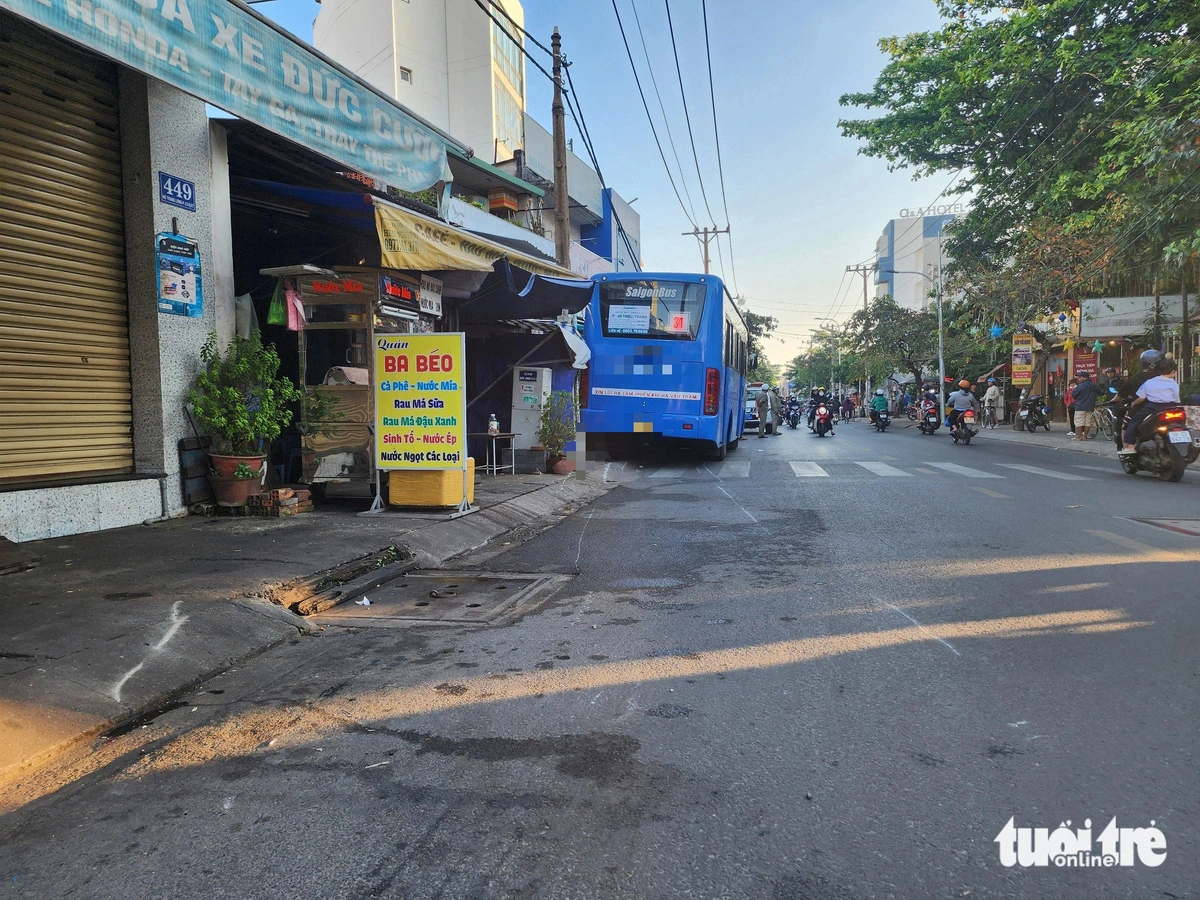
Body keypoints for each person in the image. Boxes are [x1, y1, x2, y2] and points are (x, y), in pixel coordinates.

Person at [1120, 358, 1180, 454]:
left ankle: (1130, 446)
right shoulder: (1174, 384)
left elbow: (1141, 398)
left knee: (1134, 421)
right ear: (1173, 372)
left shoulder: (1149, 382)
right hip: (1170, 407)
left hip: (1153, 407)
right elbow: (1176, 398)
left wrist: (1133, 404)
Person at [1114, 349, 1165, 447]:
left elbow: (1140, 398)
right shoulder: (1165, 378)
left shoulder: (1137, 379)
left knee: (1127, 425)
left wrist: (1133, 403)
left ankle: (1128, 447)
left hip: (1144, 408)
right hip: (1166, 407)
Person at [1069, 373, 1101, 440]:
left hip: (1080, 406)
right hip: (1090, 406)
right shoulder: (1093, 385)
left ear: (1084, 377)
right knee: (1087, 422)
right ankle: (1085, 436)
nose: (1079, 379)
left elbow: (1073, 394)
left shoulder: (1080, 386)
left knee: (1079, 422)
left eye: (1080, 377)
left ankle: (1079, 436)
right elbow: (1101, 392)